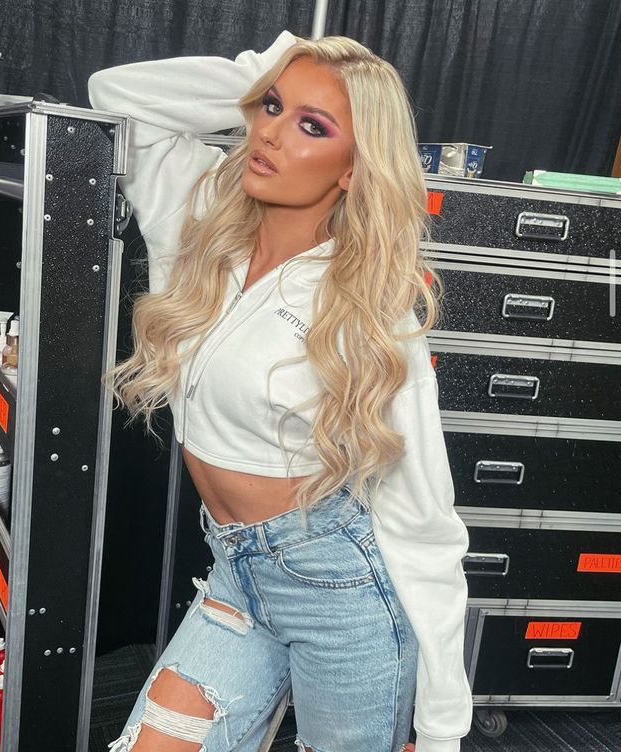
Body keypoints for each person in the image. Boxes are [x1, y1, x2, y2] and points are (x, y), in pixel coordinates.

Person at [88, 29, 473, 752]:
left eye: (311, 126)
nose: (268, 133)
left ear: (353, 170)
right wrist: (275, 64)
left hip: (343, 595)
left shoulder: (368, 307)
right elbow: (116, 93)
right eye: (269, 108)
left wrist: (443, 726)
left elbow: (425, 519)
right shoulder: (200, 223)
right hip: (239, 571)